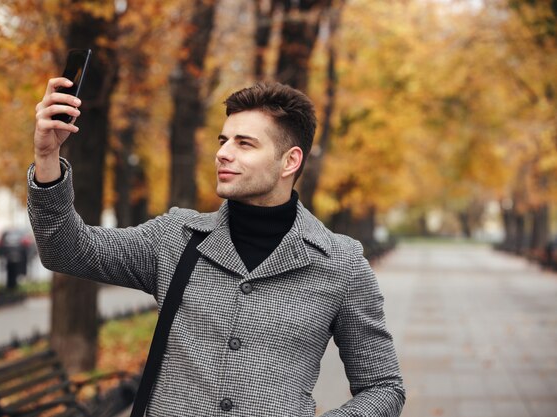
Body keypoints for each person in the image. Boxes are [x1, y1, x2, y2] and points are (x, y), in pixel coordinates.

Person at [29, 78, 405, 416]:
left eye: (245, 144)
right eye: (224, 141)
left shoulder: (340, 263)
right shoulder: (177, 237)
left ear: (290, 161)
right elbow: (66, 247)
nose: (224, 153)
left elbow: (383, 387)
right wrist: (47, 158)